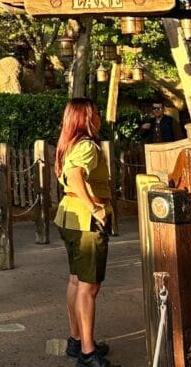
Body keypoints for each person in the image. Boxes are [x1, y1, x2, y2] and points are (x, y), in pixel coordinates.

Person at [54, 98, 116, 367]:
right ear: (86, 118)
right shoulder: (88, 146)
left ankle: (77, 339)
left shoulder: (69, 144)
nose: (100, 117)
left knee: (76, 281)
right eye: (96, 113)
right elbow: (77, 175)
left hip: (68, 215)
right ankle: (88, 353)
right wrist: (94, 208)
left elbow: (69, 174)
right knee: (89, 287)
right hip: (85, 220)